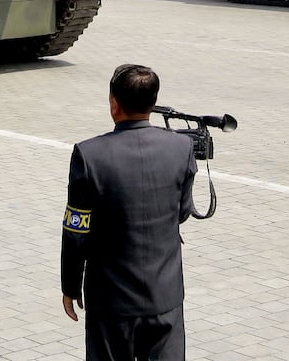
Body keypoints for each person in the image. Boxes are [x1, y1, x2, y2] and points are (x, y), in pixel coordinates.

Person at [61, 64, 197, 361]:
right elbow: (183, 212)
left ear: (114, 104)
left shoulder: (89, 154)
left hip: (111, 301)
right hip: (165, 297)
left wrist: (70, 286)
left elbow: (76, 231)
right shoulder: (181, 147)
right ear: (153, 103)